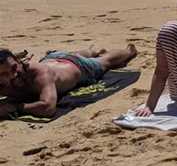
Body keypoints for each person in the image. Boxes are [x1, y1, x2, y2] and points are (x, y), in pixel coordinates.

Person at [0, 44, 138, 119]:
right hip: (52, 59)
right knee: (73, 55)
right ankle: (91, 50)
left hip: (78, 67)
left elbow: (48, 108)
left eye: (14, 67)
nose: (13, 74)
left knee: (105, 62)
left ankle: (128, 51)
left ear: (19, 61)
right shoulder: (4, 80)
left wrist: (17, 107)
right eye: (5, 73)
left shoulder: (39, 74)